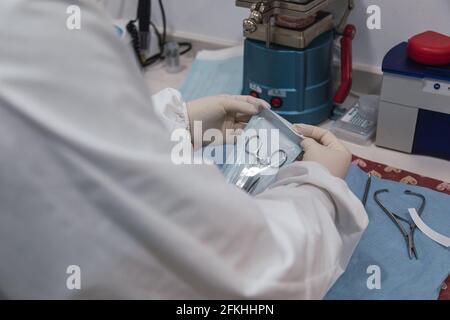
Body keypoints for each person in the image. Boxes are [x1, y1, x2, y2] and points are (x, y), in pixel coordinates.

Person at [0, 0, 368, 299]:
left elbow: (65, 146)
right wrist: (319, 187)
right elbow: (247, 280)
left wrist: (175, 126)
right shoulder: (35, 31)